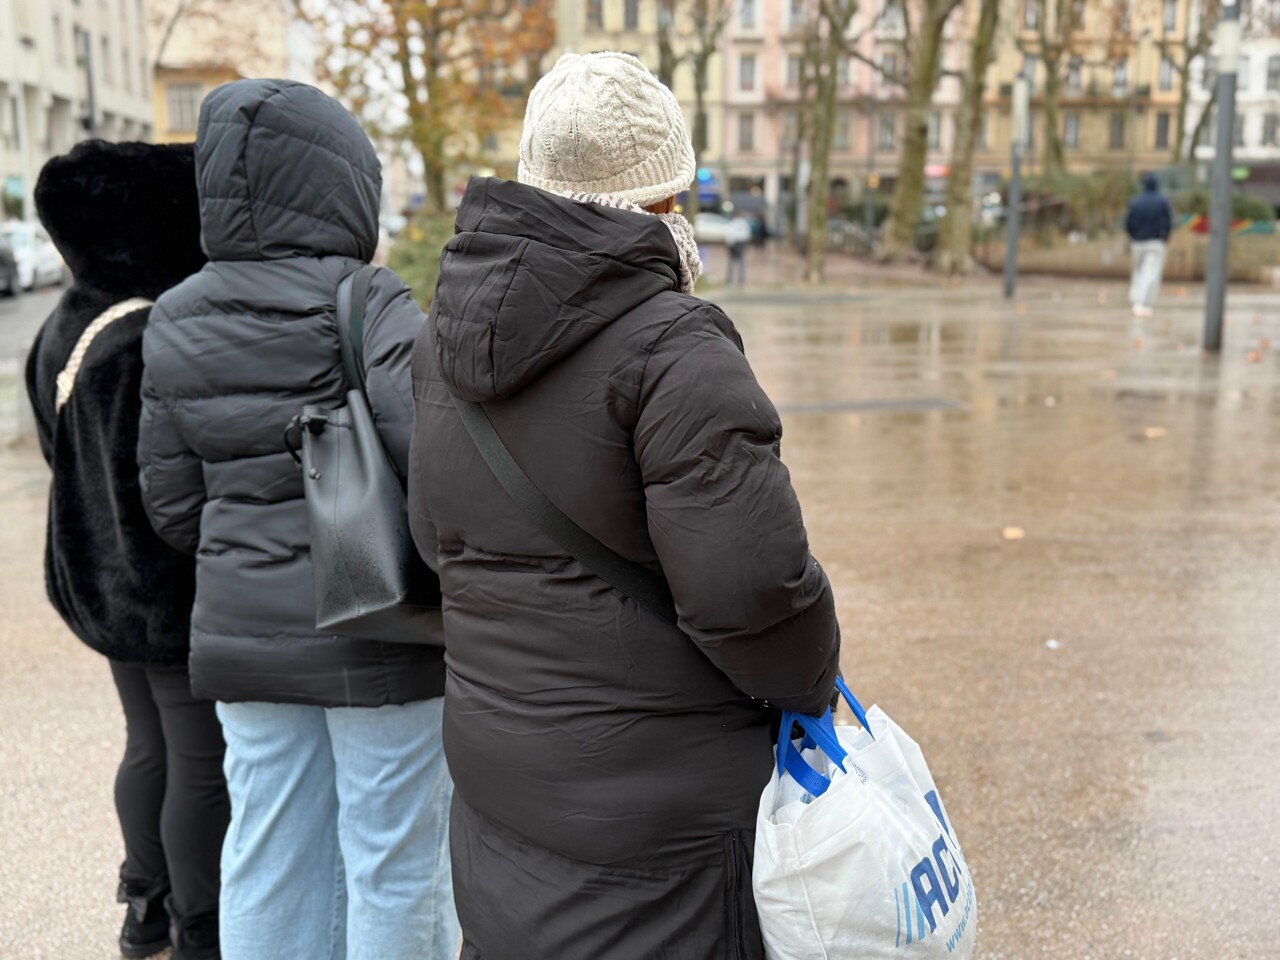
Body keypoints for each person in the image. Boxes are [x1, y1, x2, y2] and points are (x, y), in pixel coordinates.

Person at [408, 52, 841, 960]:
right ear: (666, 195)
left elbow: (433, 538)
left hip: (499, 770)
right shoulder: (677, 347)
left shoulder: (437, 342)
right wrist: (813, 686)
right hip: (662, 819)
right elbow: (753, 589)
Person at [137, 79, 458, 960]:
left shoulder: (172, 316)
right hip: (380, 635)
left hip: (243, 639)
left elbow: (170, 507)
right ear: (340, 180)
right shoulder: (366, 298)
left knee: (267, 858)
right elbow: (433, 466)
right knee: (393, 863)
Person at [24, 140, 227, 960]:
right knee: (198, 757)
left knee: (147, 744)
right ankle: (199, 926)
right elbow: (167, 489)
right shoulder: (144, 335)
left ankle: (144, 905)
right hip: (158, 589)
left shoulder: (64, 322)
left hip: (98, 580)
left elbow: (56, 452)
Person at [1125, 172, 1173, 319]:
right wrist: (1165, 237)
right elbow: (1169, 221)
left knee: (1138, 272)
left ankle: (1136, 300)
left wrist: (1133, 236)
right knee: (1150, 273)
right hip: (1155, 242)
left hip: (1137, 243)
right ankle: (1143, 303)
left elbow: (1128, 222)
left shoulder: (1135, 202)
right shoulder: (1162, 201)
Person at [726, 211, 752, 286]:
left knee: (731, 262)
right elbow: (747, 234)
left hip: (734, 244)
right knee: (741, 262)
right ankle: (741, 280)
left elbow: (729, 235)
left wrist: (729, 245)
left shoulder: (733, 223)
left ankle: (730, 280)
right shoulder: (744, 223)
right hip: (742, 243)